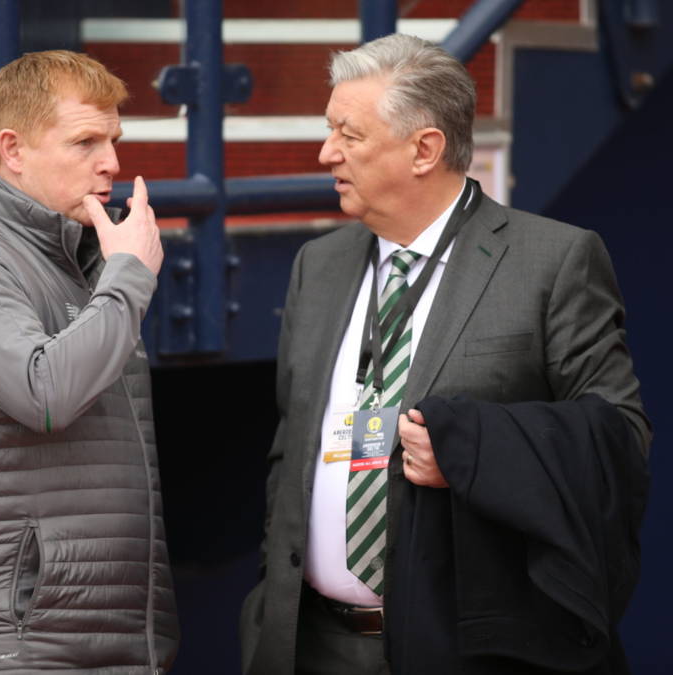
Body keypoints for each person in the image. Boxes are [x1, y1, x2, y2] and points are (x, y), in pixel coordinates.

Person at [240, 33, 650, 675]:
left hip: (464, 650)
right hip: (308, 645)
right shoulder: (316, 266)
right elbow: (291, 450)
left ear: (424, 149)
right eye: (329, 129)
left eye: (349, 134)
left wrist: (473, 449)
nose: (327, 152)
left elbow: (621, 442)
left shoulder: (552, 261)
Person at [0, 50, 178, 674]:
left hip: (114, 638)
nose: (111, 163)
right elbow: (47, 395)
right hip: (18, 641)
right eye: (85, 142)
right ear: (14, 149)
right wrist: (129, 277)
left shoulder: (88, 258)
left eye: (113, 140)